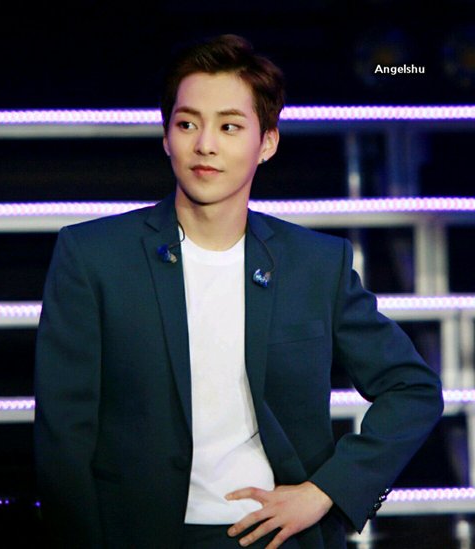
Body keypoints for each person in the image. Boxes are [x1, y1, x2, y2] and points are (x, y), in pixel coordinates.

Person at [34, 34, 443, 549]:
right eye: (187, 124)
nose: (205, 144)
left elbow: (413, 389)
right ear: (166, 136)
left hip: (278, 537)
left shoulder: (315, 264)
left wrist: (326, 492)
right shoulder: (94, 255)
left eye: (229, 126)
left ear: (266, 143)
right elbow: (63, 437)